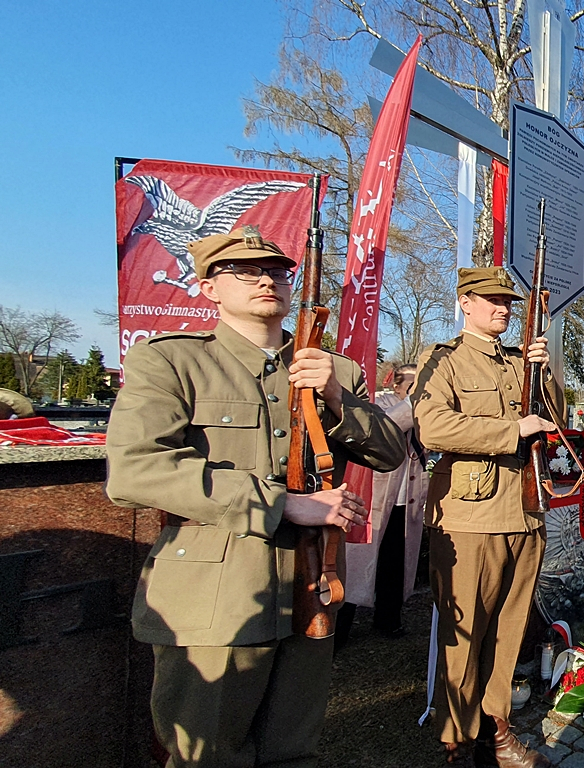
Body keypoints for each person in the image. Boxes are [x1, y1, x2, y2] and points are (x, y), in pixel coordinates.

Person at [105, 227, 406, 767]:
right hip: (217, 594)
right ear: (208, 288)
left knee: (292, 752)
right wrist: (281, 503)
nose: (265, 279)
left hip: (311, 585)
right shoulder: (172, 361)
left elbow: (389, 453)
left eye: (276, 271)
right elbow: (135, 470)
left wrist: (337, 396)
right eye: (243, 271)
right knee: (208, 756)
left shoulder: (334, 369)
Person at [411, 267, 560, 767]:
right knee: (465, 634)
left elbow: (555, 419)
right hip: (470, 516)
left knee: (509, 629)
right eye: (492, 299)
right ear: (465, 302)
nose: (503, 308)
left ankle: (495, 731)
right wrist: (511, 431)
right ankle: (457, 737)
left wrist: (545, 372)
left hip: (524, 512)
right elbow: (433, 427)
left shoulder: (520, 361)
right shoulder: (443, 360)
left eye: (508, 301)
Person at [337, 363, 429, 645]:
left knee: (395, 563)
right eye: (411, 383)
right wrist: (413, 401)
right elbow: (386, 427)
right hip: (374, 500)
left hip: (406, 500)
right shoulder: (381, 405)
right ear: (396, 386)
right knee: (357, 564)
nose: (417, 388)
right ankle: (341, 625)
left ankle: (389, 618)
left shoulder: (423, 409)